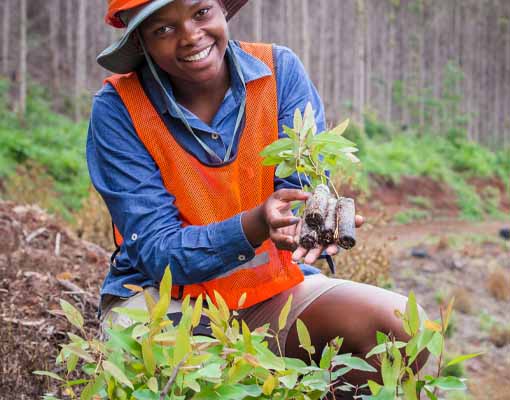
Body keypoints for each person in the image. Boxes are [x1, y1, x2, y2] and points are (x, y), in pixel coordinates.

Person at [87, 0, 428, 394]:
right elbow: (158, 253)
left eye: (201, 13)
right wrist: (254, 225)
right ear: (141, 41)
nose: (190, 36)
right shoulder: (119, 109)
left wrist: (304, 224)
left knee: (399, 328)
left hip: (268, 290)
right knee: (183, 383)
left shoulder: (277, 71)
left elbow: (302, 183)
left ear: (221, 10)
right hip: (162, 303)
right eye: (163, 29)